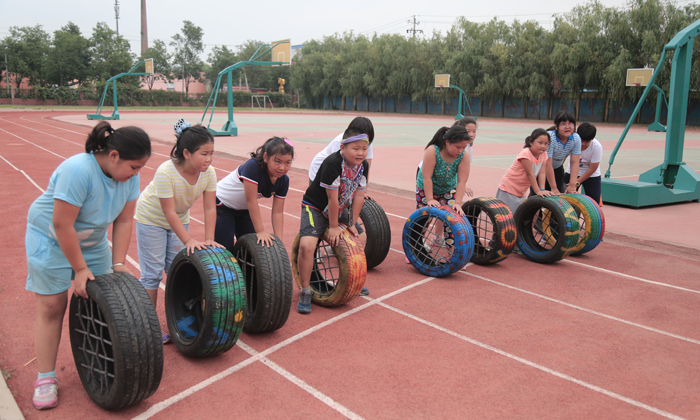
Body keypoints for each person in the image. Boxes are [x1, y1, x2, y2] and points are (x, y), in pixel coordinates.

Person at [25, 121, 151, 410]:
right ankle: (45, 377)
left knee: (107, 299)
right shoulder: (78, 170)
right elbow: (62, 224)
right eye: (134, 167)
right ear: (114, 155)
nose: (137, 174)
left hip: (91, 241)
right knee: (52, 306)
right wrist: (80, 269)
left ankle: (105, 358)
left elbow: (122, 220)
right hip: (52, 238)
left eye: (140, 169)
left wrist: (118, 262)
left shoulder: (129, 177)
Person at [134, 119, 222, 344]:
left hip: (178, 221)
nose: (209, 159)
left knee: (178, 270)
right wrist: (189, 239)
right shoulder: (166, 172)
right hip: (151, 220)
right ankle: (149, 328)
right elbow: (168, 212)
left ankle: (182, 319)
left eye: (211, 153)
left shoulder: (209, 173)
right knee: (152, 274)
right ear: (186, 153)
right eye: (204, 154)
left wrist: (210, 239)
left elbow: (210, 207)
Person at [297, 128, 370, 314]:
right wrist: (334, 227)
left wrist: (352, 223)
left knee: (361, 238)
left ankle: (355, 282)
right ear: (342, 148)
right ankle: (305, 290)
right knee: (306, 245)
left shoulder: (364, 167)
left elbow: (359, 197)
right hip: (315, 207)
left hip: (341, 206)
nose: (361, 153)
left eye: (364, 148)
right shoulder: (332, 164)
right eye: (356, 148)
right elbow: (332, 199)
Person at [215, 137, 294, 250]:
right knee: (224, 249)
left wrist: (279, 241)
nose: (282, 167)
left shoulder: (283, 180)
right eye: (277, 161)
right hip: (222, 204)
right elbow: (251, 201)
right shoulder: (252, 167)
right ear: (266, 157)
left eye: (287, 163)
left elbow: (277, 212)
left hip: (243, 209)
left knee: (253, 248)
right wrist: (260, 231)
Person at [497, 128, 555, 216]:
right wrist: (537, 191)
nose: (543, 146)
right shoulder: (526, 154)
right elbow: (530, 174)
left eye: (546, 143)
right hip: (509, 188)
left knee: (519, 216)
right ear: (531, 142)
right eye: (540, 143)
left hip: (521, 191)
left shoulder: (544, 155)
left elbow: (542, 173)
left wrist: (542, 189)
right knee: (505, 217)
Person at [309, 116, 374, 190]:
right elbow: (335, 166)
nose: (362, 138)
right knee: (323, 198)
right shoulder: (340, 142)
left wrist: (363, 191)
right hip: (321, 170)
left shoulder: (366, 142)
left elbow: (365, 169)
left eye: (366, 136)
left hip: (340, 173)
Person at [565, 122, 603, 205]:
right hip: (572, 172)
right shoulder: (571, 142)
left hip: (591, 174)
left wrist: (577, 182)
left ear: (592, 139)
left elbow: (592, 168)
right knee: (563, 197)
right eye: (582, 140)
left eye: (587, 141)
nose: (583, 144)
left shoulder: (597, 146)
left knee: (594, 203)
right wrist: (572, 182)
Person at [544, 111, 581, 194]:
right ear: (556, 127)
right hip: (541, 169)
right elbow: (548, 164)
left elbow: (575, 162)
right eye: (563, 124)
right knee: (539, 195)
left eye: (570, 124)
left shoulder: (576, 138)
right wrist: (553, 188)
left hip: (557, 167)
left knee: (559, 195)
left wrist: (572, 184)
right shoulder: (550, 138)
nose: (567, 127)